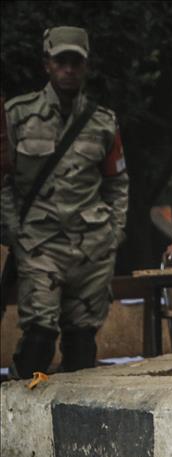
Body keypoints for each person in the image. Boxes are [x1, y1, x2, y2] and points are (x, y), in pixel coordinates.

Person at [1, 26, 129, 378]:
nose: (69, 69)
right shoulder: (17, 116)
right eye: (61, 61)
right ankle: (16, 414)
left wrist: (114, 232)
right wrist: (15, 230)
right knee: (39, 333)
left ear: (86, 66)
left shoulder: (103, 122)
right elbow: (3, 182)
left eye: (76, 61)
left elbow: (117, 182)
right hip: (39, 244)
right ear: (47, 64)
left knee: (82, 339)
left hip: (91, 246)